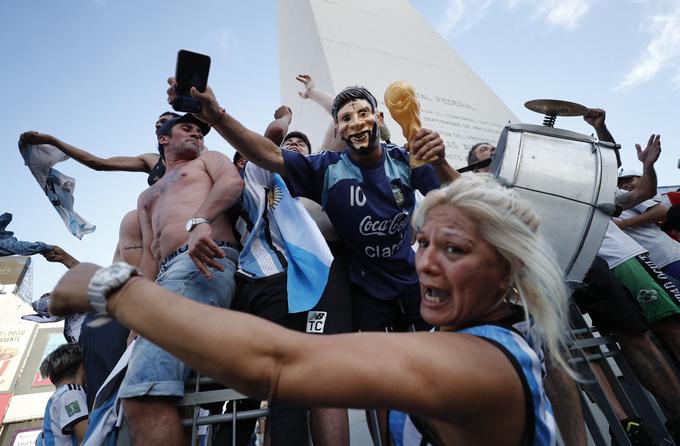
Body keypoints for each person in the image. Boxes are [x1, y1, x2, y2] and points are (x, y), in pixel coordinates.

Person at [51, 173, 570, 446]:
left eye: (453, 250)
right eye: (423, 244)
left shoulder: (483, 366)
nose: (426, 265)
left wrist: (115, 289)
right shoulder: (479, 344)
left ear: (508, 273)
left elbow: (279, 364)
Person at [123, 112, 243, 445]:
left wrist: (199, 220)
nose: (196, 134)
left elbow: (233, 183)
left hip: (202, 261)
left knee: (144, 392)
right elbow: (150, 254)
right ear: (163, 139)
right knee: (173, 397)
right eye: (186, 128)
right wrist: (136, 317)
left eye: (200, 131)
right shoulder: (146, 197)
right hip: (165, 277)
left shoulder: (209, 161)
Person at [232, 128, 351, 445]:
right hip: (281, 280)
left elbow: (338, 132)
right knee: (290, 380)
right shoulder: (266, 181)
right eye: (289, 143)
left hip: (328, 273)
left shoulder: (320, 174)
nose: (295, 143)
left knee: (325, 377)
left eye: (302, 142)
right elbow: (264, 144)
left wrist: (314, 94)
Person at [20, 111, 180, 186]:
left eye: (164, 121)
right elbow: (98, 163)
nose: (158, 124)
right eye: (156, 123)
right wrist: (52, 141)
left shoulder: (200, 154)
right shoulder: (150, 159)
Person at [615, 168, 680, 280]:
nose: (624, 186)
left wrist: (624, 224)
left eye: (629, 180)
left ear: (644, 179)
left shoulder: (670, 197)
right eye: (620, 185)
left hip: (668, 256)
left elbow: (661, 212)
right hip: (648, 266)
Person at [36, 343, 89, 446]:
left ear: (52, 379)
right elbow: (88, 437)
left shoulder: (58, 397)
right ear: (82, 366)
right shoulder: (70, 394)